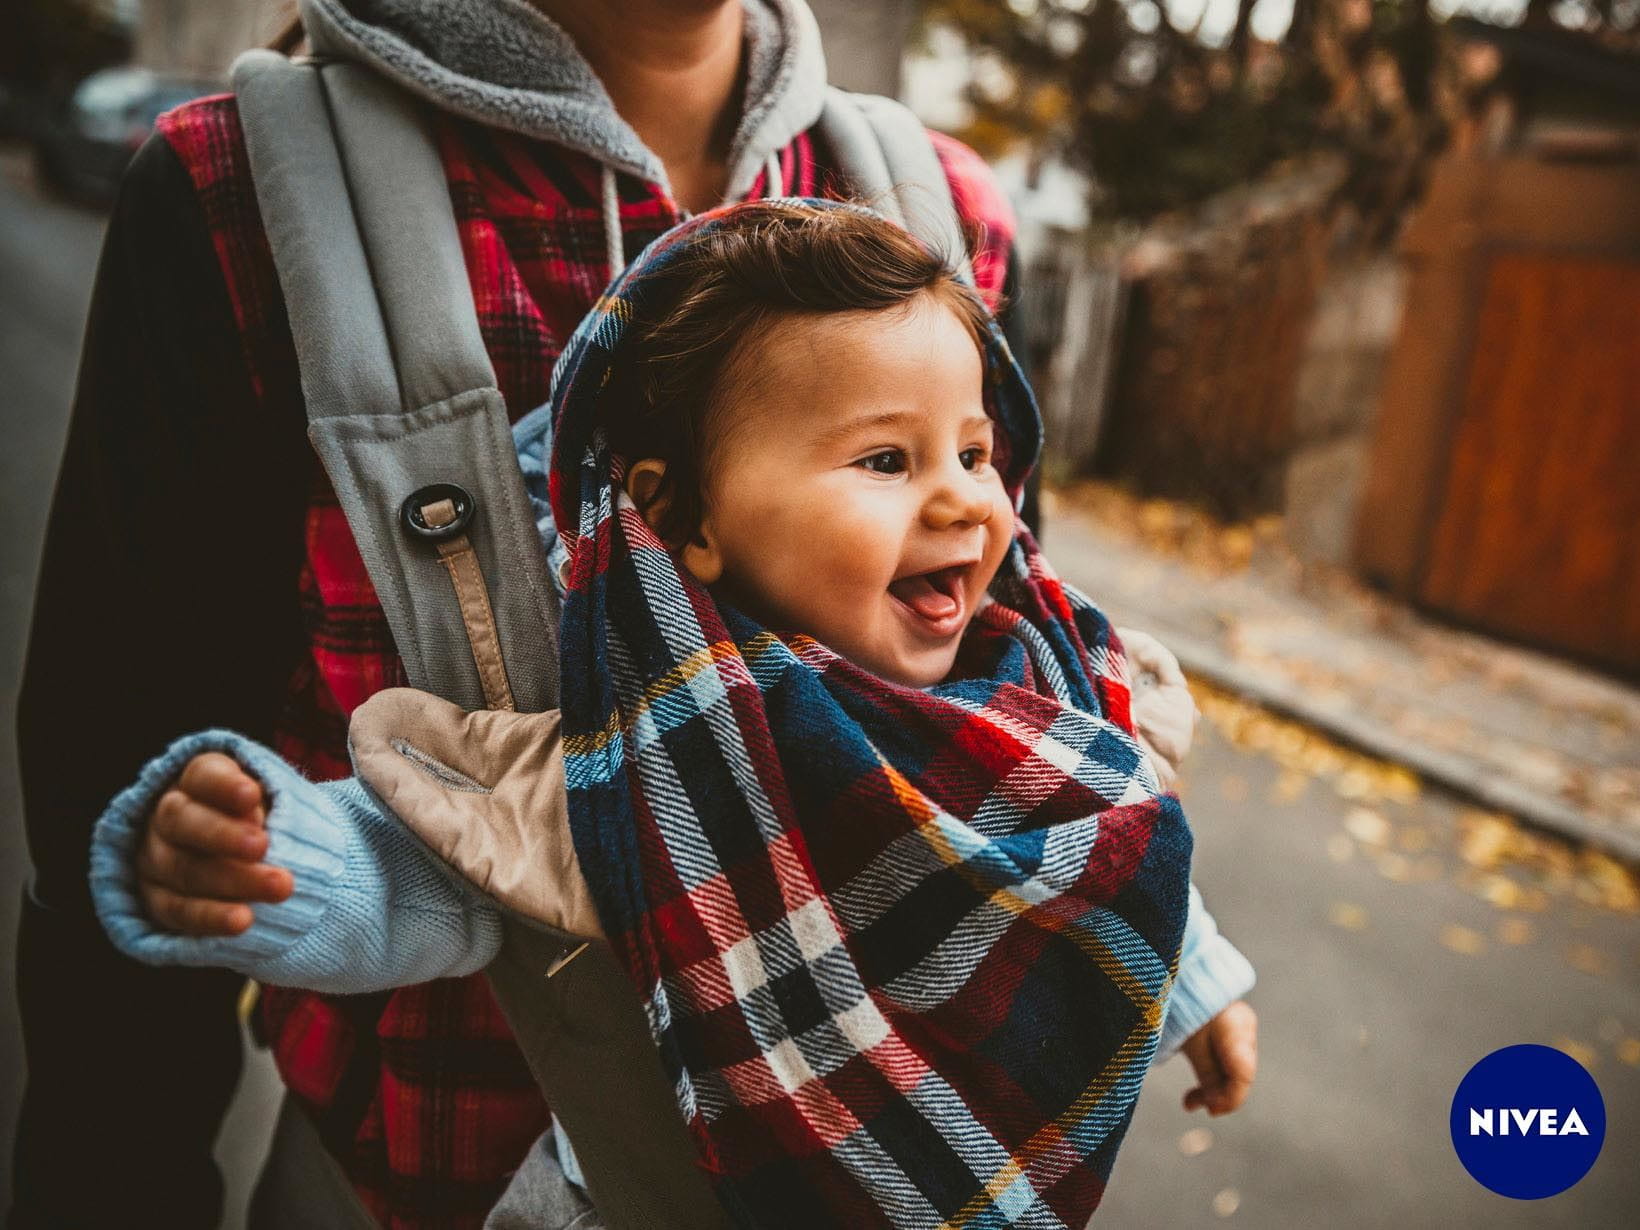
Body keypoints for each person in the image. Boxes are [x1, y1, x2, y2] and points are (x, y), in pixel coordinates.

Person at [89, 200, 1257, 1228]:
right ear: (684, 516)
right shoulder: (652, 755)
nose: (964, 497)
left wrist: (1194, 982)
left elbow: (1109, 847)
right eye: (885, 462)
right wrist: (269, 858)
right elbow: (427, 867)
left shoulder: (1037, 685)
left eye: (973, 450)